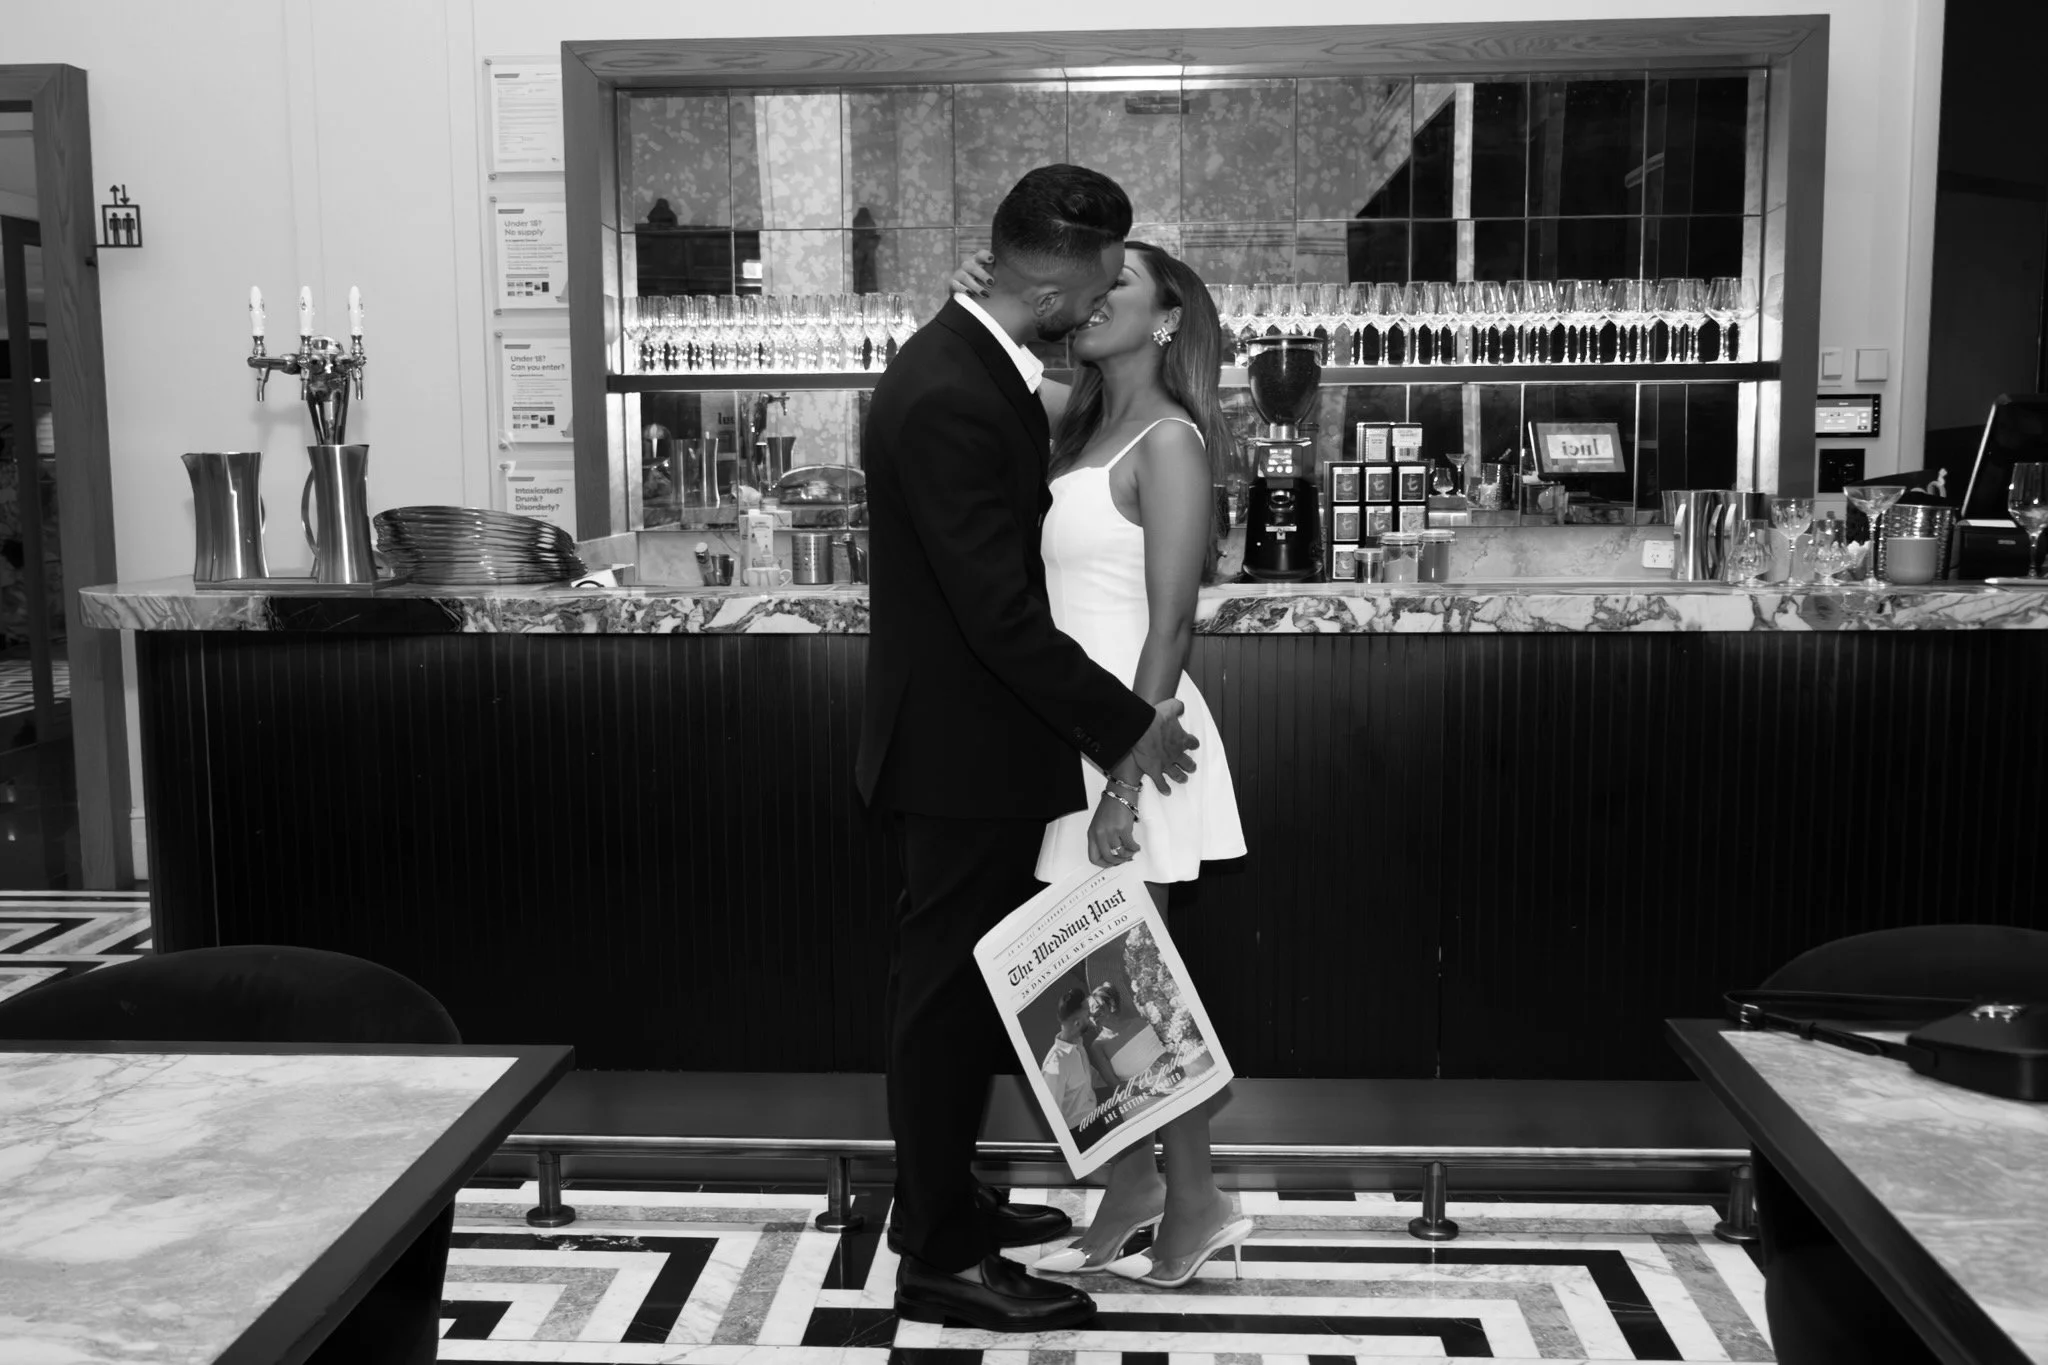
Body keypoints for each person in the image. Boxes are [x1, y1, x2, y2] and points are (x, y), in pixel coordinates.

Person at [856, 164, 1202, 1336]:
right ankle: (941, 1259)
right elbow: (995, 617)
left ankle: (940, 1203)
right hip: (964, 751)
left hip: (973, 744)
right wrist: (1128, 726)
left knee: (952, 999)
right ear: (1053, 280)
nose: (1106, 296)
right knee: (947, 1008)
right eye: (1100, 278)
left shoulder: (973, 364)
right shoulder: (951, 389)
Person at [950, 239, 1251, 1288]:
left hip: (1135, 736)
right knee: (1085, 987)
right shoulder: (1073, 422)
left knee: (1125, 981)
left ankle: (1198, 1196)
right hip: (1063, 732)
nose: (1092, 299)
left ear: (1168, 317)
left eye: (1116, 284)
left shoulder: (1169, 440)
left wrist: (1120, 779)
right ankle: (1132, 1183)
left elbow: (1172, 624)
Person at [1041, 987, 1104, 1131]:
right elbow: (1050, 1116)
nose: (1092, 1019)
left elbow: (1090, 1079)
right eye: (1088, 1016)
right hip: (1078, 1134)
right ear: (1077, 1024)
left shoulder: (1078, 1045)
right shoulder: (1055, 1065)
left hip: (1095, 1121)